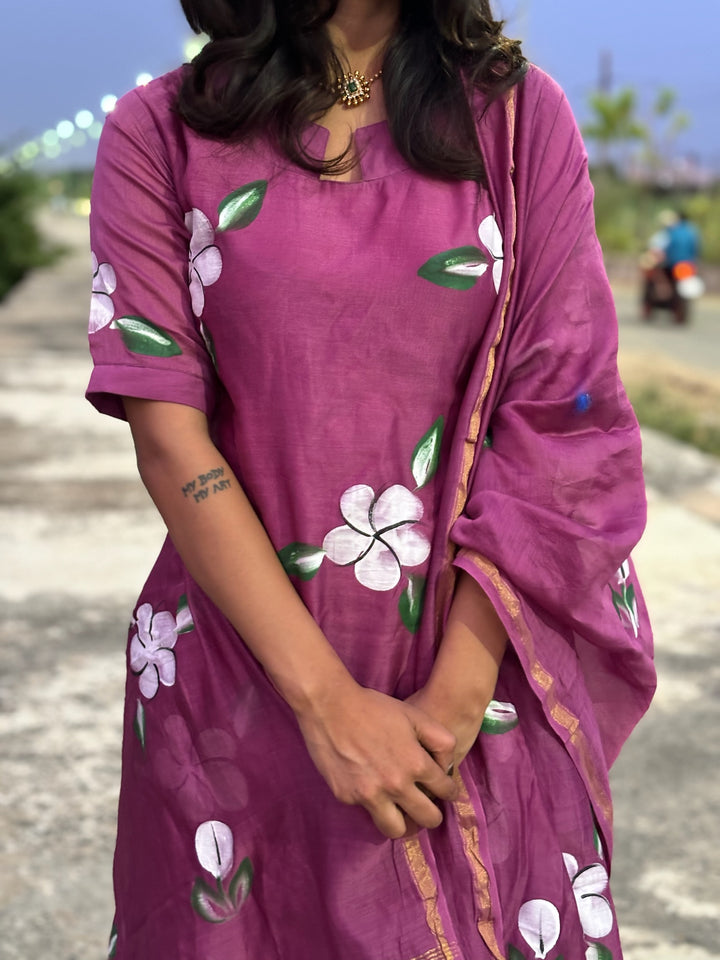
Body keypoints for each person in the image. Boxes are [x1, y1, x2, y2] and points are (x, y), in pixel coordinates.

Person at [86, 1, 656, 958]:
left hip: (476, 670)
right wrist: (326, 705)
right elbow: (171, 438)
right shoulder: (162, 133)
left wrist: (453, 704)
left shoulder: (516, 123)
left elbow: (566, 409)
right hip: (243, 680)